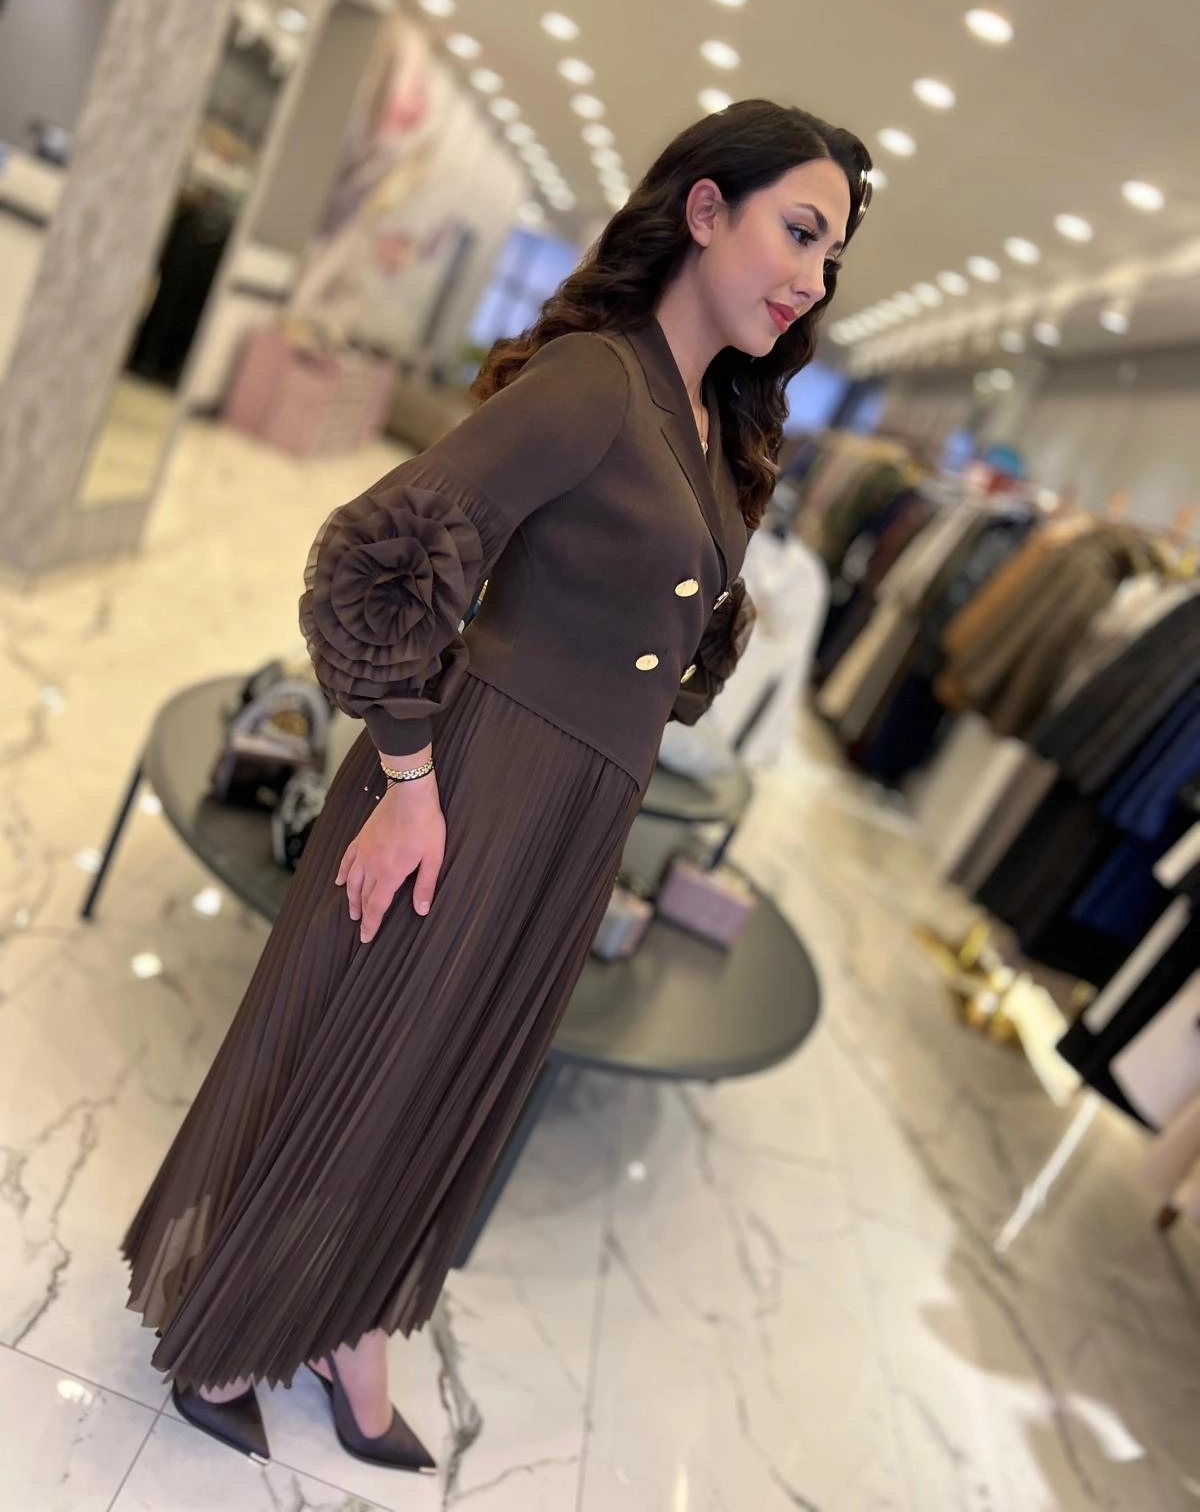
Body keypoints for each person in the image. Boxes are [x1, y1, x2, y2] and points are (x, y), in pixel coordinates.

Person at [121, 97, 872, 1470]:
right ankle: (245, 1314)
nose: (814, 279)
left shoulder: (713, 418)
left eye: (834, 256)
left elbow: (669, 643)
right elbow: (375, 554)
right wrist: (410, 778)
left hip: (577, 810)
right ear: (706, 211)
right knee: (373, 1052)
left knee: (447, 1078)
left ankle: (354, 1326)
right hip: (478, 779)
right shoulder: (597, 381)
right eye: (800, 232)